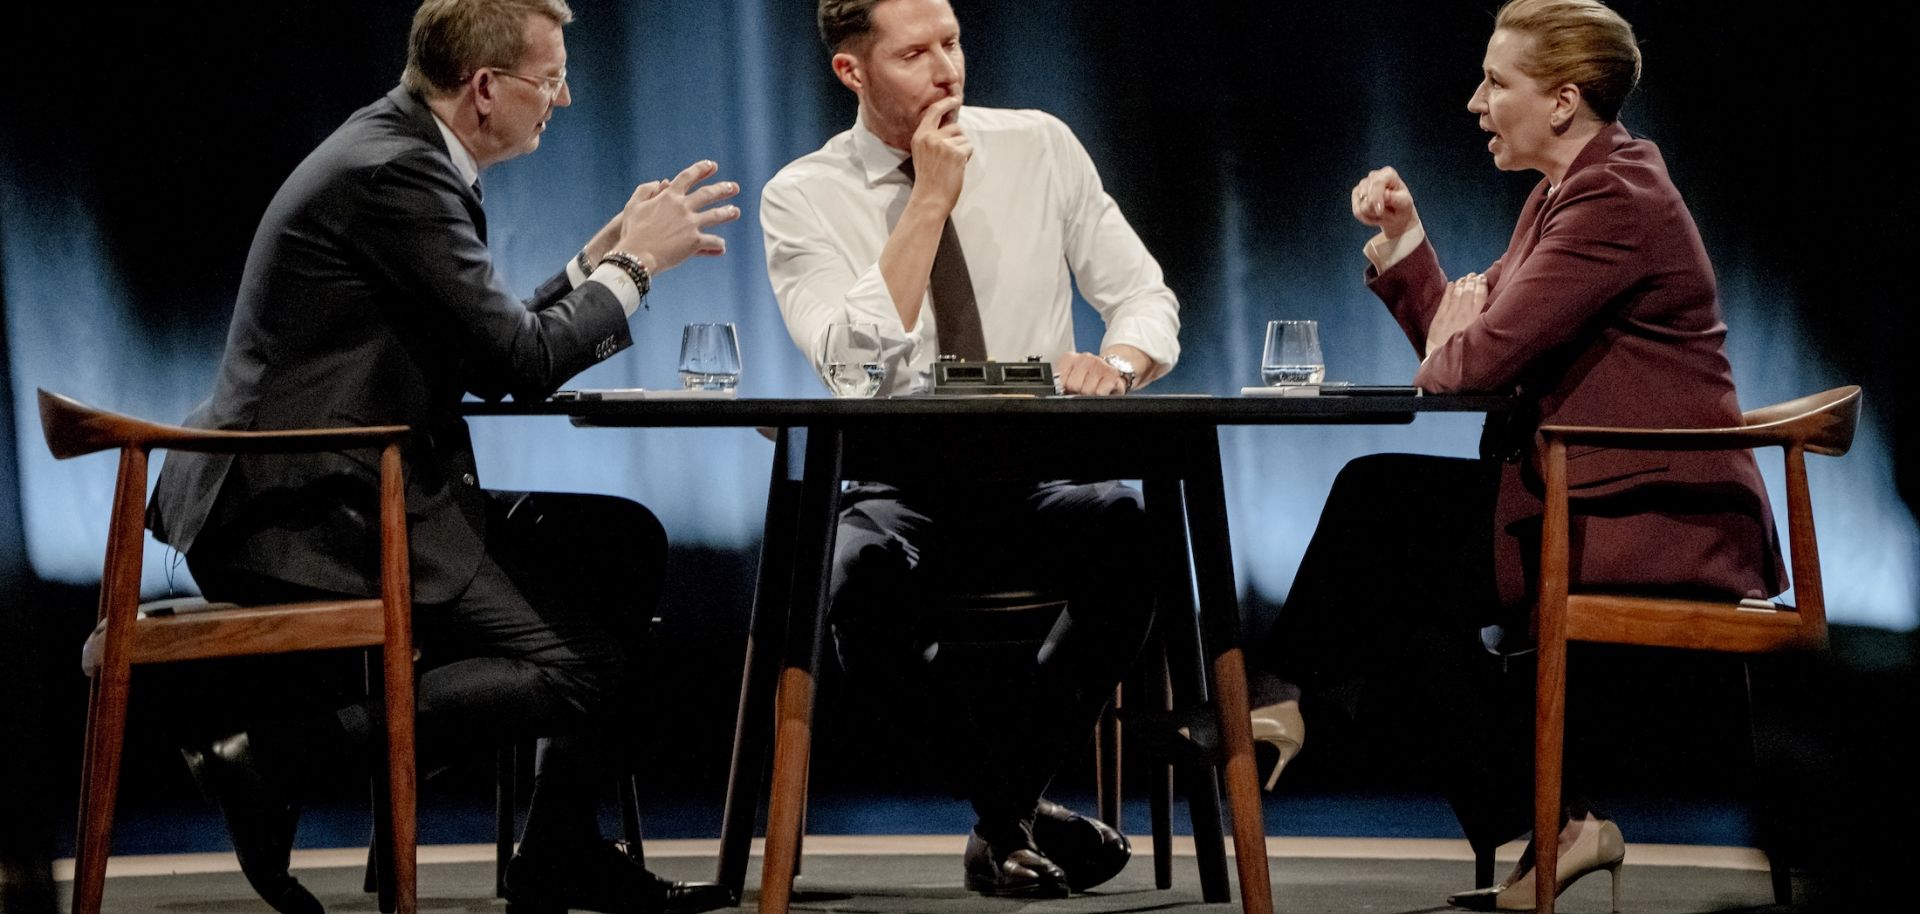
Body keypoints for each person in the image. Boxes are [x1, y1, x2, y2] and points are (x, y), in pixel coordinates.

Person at [144, 2, 740, 913]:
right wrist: (637, 271)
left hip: (352, 487)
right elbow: (523, 364)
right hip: (304, 511)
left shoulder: (406, 152)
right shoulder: (397, 171)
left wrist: (596, 264)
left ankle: (559, 850)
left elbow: (486, 353)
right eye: (551, 80)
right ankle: (274, 757)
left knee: (620, 544)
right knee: (584, 666)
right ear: (486, 87)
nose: (565, 98)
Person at [1253, 0, 1786, 910]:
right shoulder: (1566, 193)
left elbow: (1472, 359)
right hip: (1583, 493)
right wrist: (1406, 243)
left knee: (1377, 510)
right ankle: (1558, 819)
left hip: (1651, 515)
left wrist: (1460, 342)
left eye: (1496, 83)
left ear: (1564, 101)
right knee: (1390, 581)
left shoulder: (1615, 201)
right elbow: (1469, 346)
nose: (1475, 102)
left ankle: (1276, 695)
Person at [760, 0, 1181, 898]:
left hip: (1035, 480)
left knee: (1132, 533)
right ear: (852, 72)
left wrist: (1116, 362)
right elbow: (852, 366)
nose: (948, 69)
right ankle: (1012, 812)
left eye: (952, 43)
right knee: (854, 580)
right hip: (895, 489)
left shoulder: (1038, 146)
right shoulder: (803, 195)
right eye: (915, 53)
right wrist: (929, 199)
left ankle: (1004, 812)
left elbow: (1145, 296)